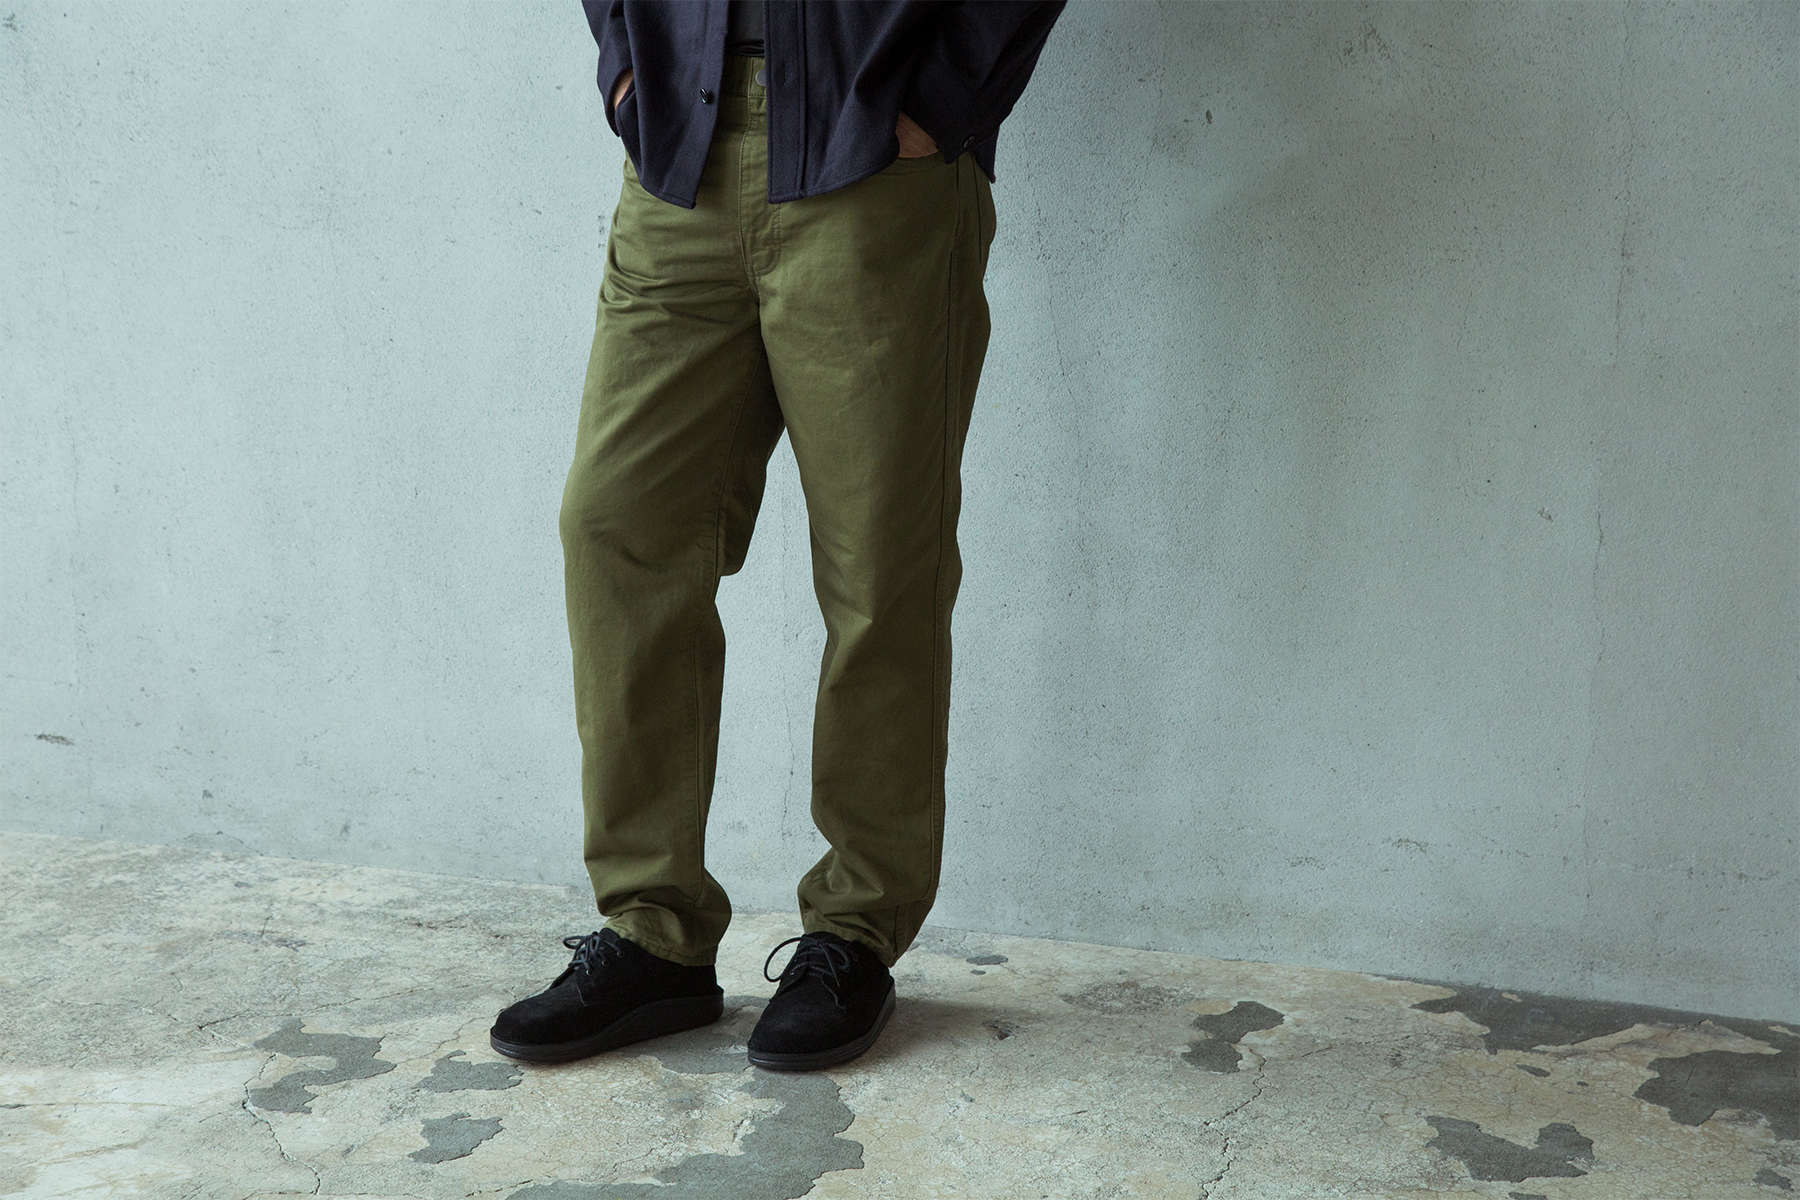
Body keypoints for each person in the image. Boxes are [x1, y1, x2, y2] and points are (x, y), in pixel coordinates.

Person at [490, 0, 1066, 1072]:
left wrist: (943, 101)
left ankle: (855, 932)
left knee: (877, 564)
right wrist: (626, 66)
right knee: (614, 526)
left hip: (872, 158)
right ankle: (653, 935)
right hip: (679, 155)